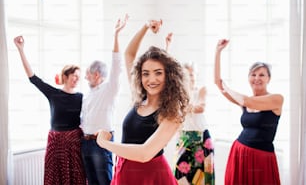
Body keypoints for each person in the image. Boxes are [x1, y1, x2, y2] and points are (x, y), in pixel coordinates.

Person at [96, 19, 190, 185]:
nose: (151, 79)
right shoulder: (139, 98)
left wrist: (104, 143)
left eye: (158, 73)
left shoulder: (173, 113)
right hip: (125, 172)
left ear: (169, 76)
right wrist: (146, 26)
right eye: (146, 73)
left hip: (151, 177)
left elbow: (144, 153)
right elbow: (129, 55)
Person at [14, 36, 86, 185]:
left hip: (74, 143)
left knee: (76, 178)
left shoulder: (82, 97)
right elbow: (33, 78)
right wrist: (21, 50)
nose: (77, 79)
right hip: (55, 142)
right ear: (65, 76)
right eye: (74, 76)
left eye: (79, 77)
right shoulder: (54, 93)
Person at [214, 39, 284, 185]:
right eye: (253, 74)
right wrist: (218, 52)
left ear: (269, 79)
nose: (257, 78)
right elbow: (218, 84)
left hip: (262, 158)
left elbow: (247, 101)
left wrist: (227, 88)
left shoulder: (277, 99)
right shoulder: (245, 101)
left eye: (262, 75)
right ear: (248, 78)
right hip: (239, 152)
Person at [80, 15, 128, 185]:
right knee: (92, 182)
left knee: (105, 182)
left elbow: (117, 66)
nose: (85, 77)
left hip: (101, 145)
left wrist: (116, 36)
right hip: (85, 143)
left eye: (87, 74)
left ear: (97, 75)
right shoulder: (87, 94)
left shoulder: (109, 90)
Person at [165, 33, 215, 185]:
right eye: (187, 75)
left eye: (192, 74)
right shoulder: (177, 93)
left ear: (196, 75)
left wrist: (179, 106)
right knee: (179, 178)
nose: (190, 77)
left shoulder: (201, 90)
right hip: (184, 138)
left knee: (203, 181)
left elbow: (200, 108)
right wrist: (167, 47)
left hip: (202, 138)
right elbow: (167, 73)